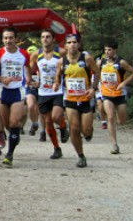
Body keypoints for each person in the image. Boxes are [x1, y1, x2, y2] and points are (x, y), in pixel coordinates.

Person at [0, 27, 31, 168]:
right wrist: (1, 79)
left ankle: (9, 154)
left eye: (11, 38)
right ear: (3, 39)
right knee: (7, 125)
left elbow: (28, 66)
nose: (8, 40)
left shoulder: (23, 54)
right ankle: (12, 136)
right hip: (4, 92)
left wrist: (28, 78)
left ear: (16, 39)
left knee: (14, 122)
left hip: (17, 91)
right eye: (5, 38)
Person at [53, 33, 99, 168]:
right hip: (70, 99)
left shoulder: (87, 58)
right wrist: (56, 84)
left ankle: (88, 133)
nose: (72, 45)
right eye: (69, 42)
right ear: (65, 45)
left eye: (74, 42)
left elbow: (97, 72)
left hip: (85, 99)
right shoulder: (61, 61)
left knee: (86, 130)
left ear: (78, 44)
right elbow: (58, 77)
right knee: (74, 128)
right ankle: (80, 156)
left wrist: (93, 88)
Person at [30, 29, 69, 160]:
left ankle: (63, 127)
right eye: (43, 37)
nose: (45, 39)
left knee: (56, 116)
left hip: (57, 91)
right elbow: (30, 70)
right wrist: (32, 81)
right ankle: (56, 148)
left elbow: (70, 67)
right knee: (48, 121)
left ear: (53, 39)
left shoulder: (62, 52)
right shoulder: (36, 55)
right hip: (43, 91)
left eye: (48, 37)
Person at [99, 38, 133, 154]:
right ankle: (114, 145)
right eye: (105, 50)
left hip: (120, 95)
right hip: (107, 94)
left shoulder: (121, 62)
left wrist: (124, 83)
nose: (107, 52)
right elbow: (94, 72)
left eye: (109, 50)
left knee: (121, 121)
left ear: (115, 50)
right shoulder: (101, 62)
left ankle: (117, 120)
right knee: (110, 117)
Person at [25, 45, 41, 137]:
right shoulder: (25, 64)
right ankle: (34, 123)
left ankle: (43, 131)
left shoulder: (41, 63)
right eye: (29, 54)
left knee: (41, 111)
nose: (31, 56)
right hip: (30, 88)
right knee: (31, 106)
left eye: (33, 54)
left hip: (42, 89)